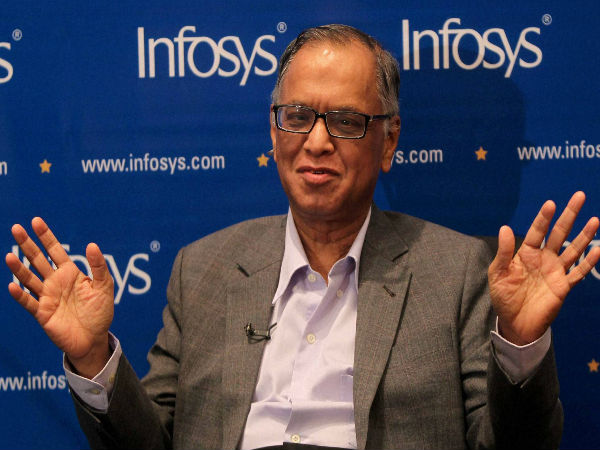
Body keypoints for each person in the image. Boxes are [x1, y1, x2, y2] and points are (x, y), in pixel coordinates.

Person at [5, 24, 600, 450]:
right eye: (297, 117)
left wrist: (521, 344)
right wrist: (92, 357)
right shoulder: (204, 269)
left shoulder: (457, 270)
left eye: (345, 121)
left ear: (389, 141)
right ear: (274, 132)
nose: (316, 142)